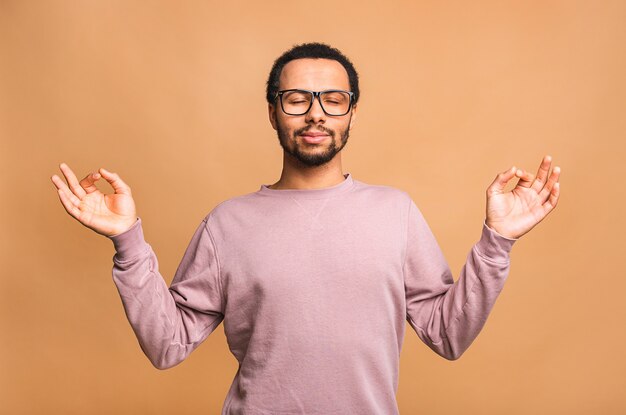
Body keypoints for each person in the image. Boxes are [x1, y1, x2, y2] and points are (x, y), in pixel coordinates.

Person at [51, 42, 561, 414]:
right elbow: (168, 345)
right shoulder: (228, 223)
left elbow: (449, 335)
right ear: (273, 112)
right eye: (296, 99)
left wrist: (498, 244)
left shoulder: (395, 212)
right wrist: (127, 241)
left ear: (352, 114)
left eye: (333, 99)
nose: (315, 114)